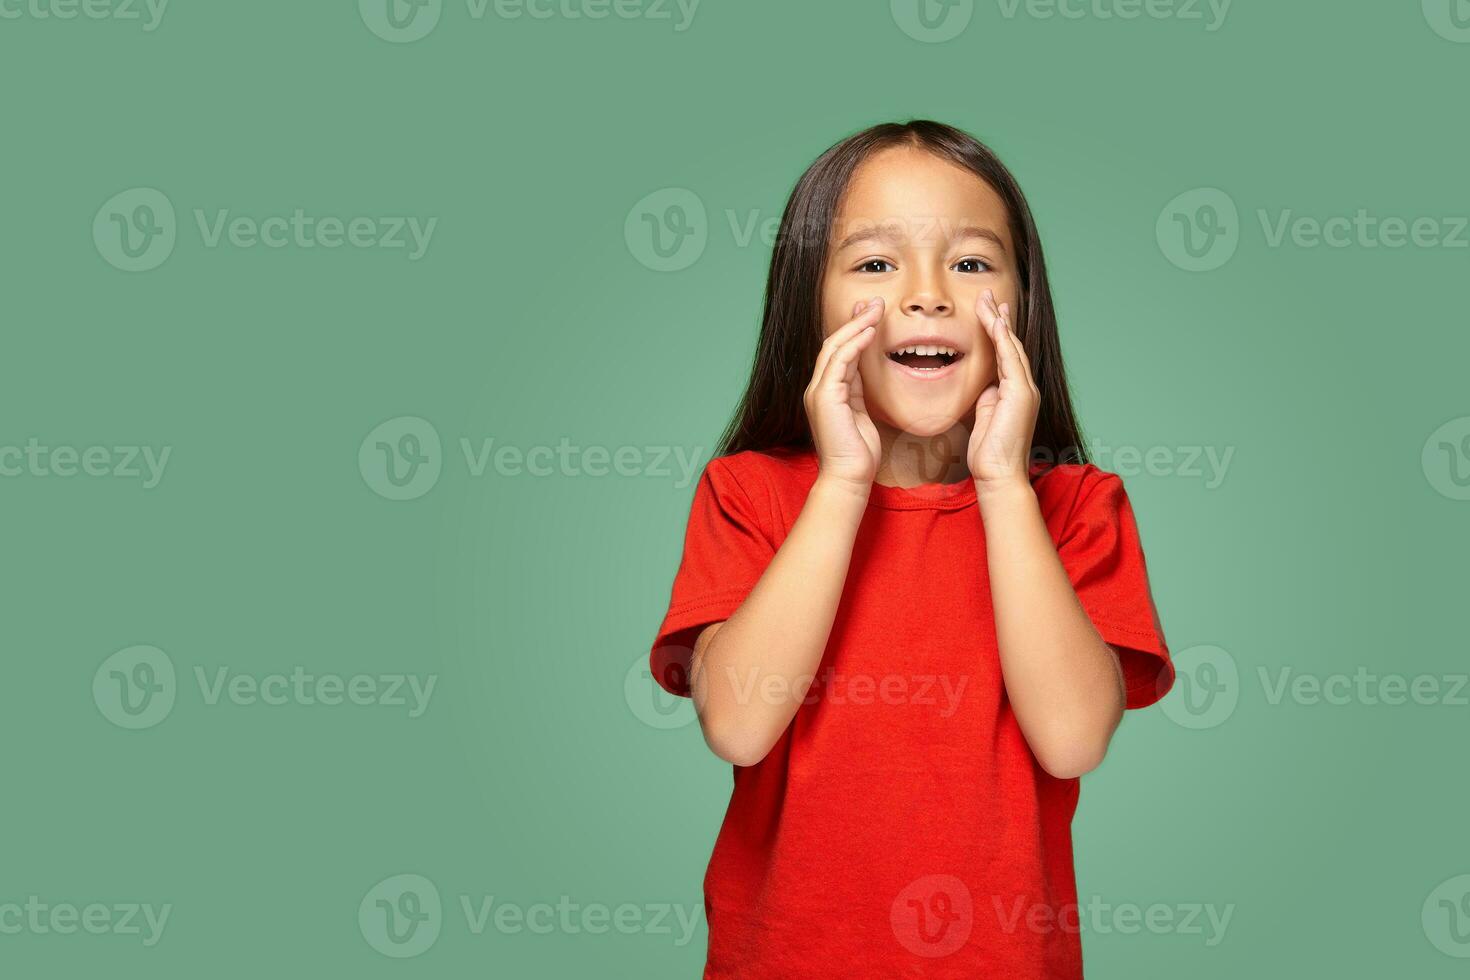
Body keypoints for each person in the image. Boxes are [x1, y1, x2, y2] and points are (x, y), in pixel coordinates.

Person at [649, 119, 1175, 978]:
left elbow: (1074, 739)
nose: (927, 294)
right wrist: (843, 484)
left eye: (971, 263)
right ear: (807, 303)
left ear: (1022, 304)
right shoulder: (750, 494)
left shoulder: (1077, 507)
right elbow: (739, 725)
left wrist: (1004, 485)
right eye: (874, 263)